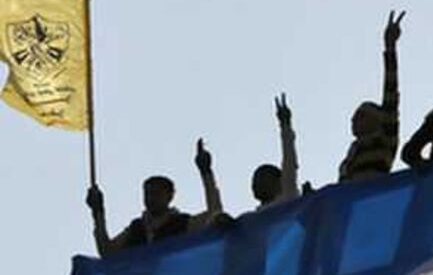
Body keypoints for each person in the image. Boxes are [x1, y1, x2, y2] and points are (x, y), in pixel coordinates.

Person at [87, 140, 225, 257]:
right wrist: (98, 212)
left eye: (157, 193)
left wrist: (206, 172)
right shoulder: (136, 229)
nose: (151, 198)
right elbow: (107, 252)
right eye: (147, 193)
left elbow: (215, 213)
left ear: (170, 196)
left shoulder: (181, 223)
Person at [339, 11, 404, 183]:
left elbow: (391, 91)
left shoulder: (384, 138)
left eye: (361, 115)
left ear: (378, 120)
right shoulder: (352, 153)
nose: (353, 119)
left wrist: (390, 47)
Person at [251, 94, 301, 209]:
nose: (256, 184)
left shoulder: (288, 198)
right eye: (255, 180)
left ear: (279, 182)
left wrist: (285, 125)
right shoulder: (252, 219)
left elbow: (289, 161)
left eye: (262, 178)